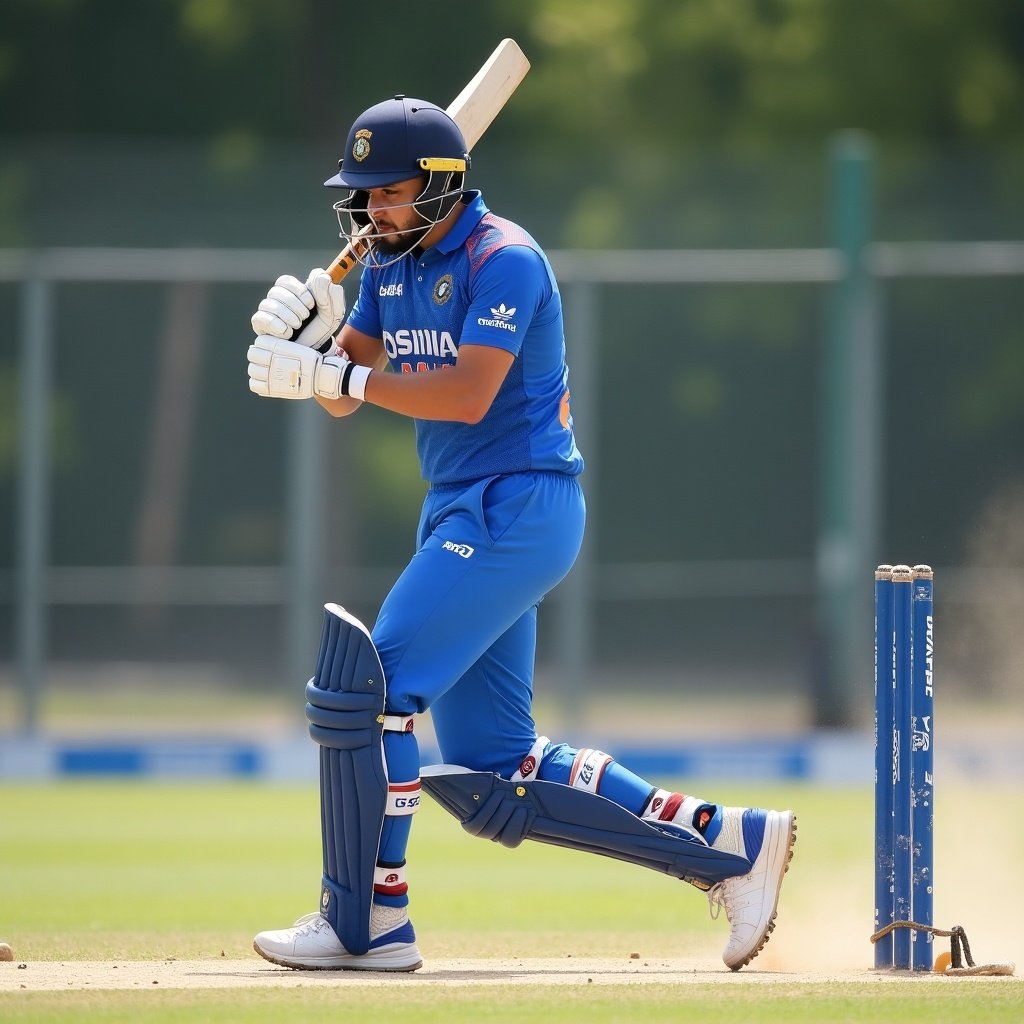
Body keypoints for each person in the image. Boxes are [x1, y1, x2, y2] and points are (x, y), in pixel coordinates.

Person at [245, 95, 796, 973]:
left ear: (439, 186)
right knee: (494, 768)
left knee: (369, 691)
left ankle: (366, 922)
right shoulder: (391, 264)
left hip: (522, 502)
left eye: (384, 193)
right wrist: (312, 343)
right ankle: (731, 846)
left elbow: (466, 394)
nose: (369, 213)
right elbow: (347, 393)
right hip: (461, 502)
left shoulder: (507, 260)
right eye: (363, 196)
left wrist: (333, 364)